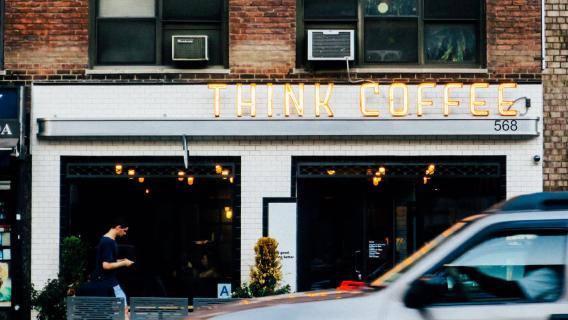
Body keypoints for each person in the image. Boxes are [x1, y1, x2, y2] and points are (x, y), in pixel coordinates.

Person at [95, 217, 134, 315]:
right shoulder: (107, 242)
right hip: (108, 283)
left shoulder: (109, 240)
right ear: (118, 227)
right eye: (124, 231)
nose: (125, 233)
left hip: (110, 282)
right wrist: (124, 263)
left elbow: (108, 260)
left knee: (123, 310)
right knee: (123, 310)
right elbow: (106, 265)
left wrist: (121, 260)